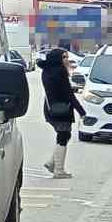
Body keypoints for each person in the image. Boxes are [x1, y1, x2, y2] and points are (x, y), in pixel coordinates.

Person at [38, 47, 85, 179]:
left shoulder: (47, 71)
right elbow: (69, 94)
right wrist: (81, 111)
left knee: (64, 135)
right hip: (62, 109)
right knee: (63, 136)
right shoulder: (59, 72)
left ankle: (52, 163)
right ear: (57, 58)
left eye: (67, 57)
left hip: (51, 108)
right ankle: (58, 169)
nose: (66, 60)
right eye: (64, 57)